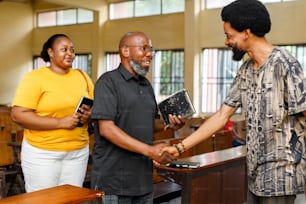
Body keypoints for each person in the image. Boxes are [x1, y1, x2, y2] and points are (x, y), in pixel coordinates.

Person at [162, 1, 306, 204]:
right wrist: (179, 148)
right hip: (255, 176)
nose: (226, 42)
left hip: (281, 177)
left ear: (246, 32)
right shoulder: (246, 70)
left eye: (229, 35)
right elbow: (222, 115)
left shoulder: (285, 65)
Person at [90, 31, 184, 204]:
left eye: (151, 50)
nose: (149, 54)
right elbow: (106, 129)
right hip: (114, 181)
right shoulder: (108, 82)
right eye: (144, 48)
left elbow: (149, 123)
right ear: (125, 51)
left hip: (143, 179)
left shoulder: (146, 85)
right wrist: (150, 151)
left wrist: (170, 124)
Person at [11, 34, 94, 192]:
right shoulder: (35, 78)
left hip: (77, 152)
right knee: (43, 199)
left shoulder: (82, 76)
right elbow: (18, 114)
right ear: (50, 52)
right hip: (43, 153)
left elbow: (95, 107)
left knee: (71, 199)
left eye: (72, 50)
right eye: (64, 49)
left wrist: (89, 116)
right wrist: (60, 122)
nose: (69, 53)